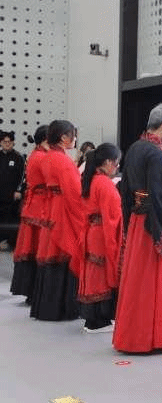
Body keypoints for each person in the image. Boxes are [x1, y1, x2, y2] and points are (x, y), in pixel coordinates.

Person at [113, 103, 162, 353]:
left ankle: (132, 336)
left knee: (136, 282)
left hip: (137, 220)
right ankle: (151, 338)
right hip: (151, 224)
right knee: (154, 282)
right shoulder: (155, 154)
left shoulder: (135, 148)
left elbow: (128, 190)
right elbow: (160, 196)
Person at [30, 120, 84, 321]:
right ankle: (64, 308)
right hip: (63, 210)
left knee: (51, 253)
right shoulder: (63, 161)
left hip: (51, 207)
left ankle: (46, 308)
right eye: (73, 135)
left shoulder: (47, 157)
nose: (75, 139)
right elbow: (74, 192)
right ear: (63, 138)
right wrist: (83, 215)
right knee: (65, 252)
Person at [77, 143, 123, 333]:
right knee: (101, 277)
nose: (117, 167)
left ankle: (93, 319)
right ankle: (98, 321)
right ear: (107, 162)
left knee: (92, 275)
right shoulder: (104, 184)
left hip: (91, 233)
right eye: (116, 163)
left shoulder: (91, 180)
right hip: (102, 234)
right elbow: (112, 216)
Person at [10, 125, 48, 301]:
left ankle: (31, 291)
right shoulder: (42, 157)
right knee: (38, 248)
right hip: (39, 207)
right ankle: (35, 292)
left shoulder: (36, 154)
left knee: (32, 248)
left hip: (33, 205)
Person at [0, 130, 26, 250]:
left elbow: (22, 176)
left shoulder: (18, 157)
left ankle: (10, 242)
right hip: (1, 193)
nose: (7, 144)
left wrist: (19, 190)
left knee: (11, 218)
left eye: (9, 142)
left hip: (12, 195)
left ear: (13, 143)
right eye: (4, 142)